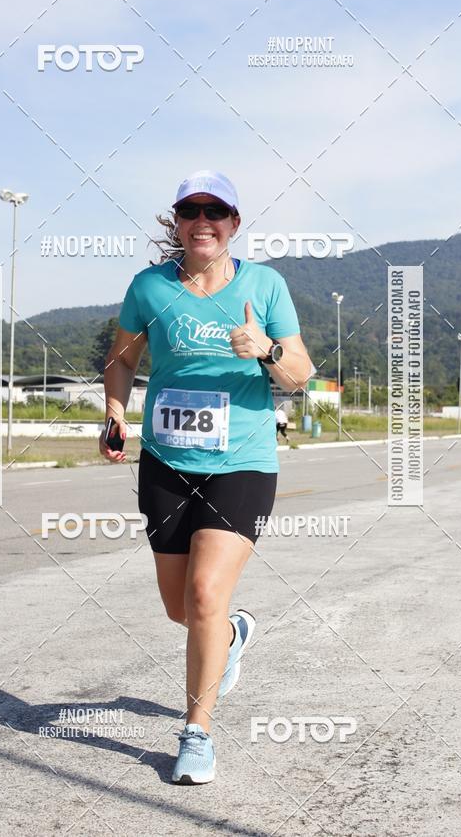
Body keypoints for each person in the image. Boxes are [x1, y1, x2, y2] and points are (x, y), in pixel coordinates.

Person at [99, 170, 314, 784]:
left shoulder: (264, 285)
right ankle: (233, 633)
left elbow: (299, 373)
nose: (202, 220)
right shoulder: (148, 288)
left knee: (203, 598)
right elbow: (122, 358)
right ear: (177, 222)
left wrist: (266, 349)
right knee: (181, 609)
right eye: (190, 210)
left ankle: (196, 734)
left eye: (215, 211)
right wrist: (114, 410)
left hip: (241, 462)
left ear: (233, 225)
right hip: (166, 462)